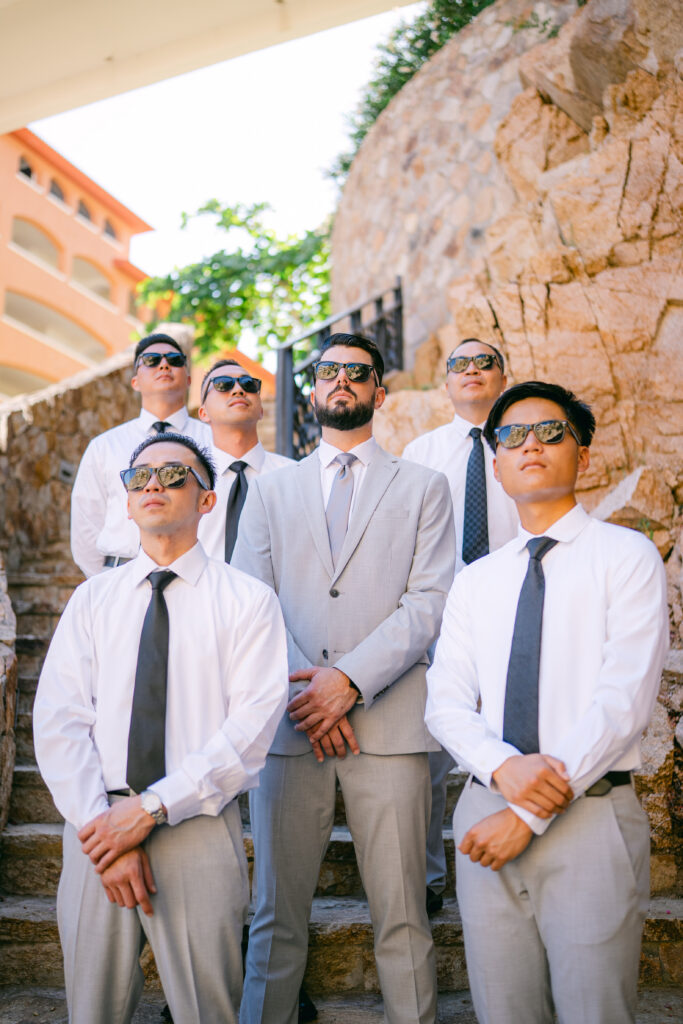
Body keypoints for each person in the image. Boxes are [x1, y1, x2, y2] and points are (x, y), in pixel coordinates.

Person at [425, 381, 669, 1024]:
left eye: (551, 431)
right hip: (485, 813)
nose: (531, 443)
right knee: (503, 1011)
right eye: (512, 436)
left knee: (596, 1012)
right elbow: (446, 700)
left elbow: (622, 705)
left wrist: (526, 816)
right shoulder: (476, 581)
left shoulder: (628, 557)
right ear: (497, 464)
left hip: (589, 815)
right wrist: (503, 770)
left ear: (583, 455)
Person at [234, 333, 455, 1024]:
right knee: (273, 921)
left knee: (402, 917)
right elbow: (250, 602)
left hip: (388, 731)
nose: (341, 382)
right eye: (327, 371)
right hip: (290, 728)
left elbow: (428, 601)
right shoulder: (270, 491)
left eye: (356, 374)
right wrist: (312, 695)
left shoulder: (424, 486)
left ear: (377, 393)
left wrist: (347, 683)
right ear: (311, 388)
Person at [34, 433, 289, 1024]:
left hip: (195, 828)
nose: (153, 485)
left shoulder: (249, 602)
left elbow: (250, 731)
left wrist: (148, 809)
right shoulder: (91, 601)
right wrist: (105, 825)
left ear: (206, 501)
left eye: (175, 475)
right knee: (90, 1013)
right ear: (125, 502)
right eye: (139, 477)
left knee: (209, 1011)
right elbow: (59, 719)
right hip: (94, 831)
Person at [403, 337, 518, 915]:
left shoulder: (522, 444)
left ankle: (510, 853)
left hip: (514, 611)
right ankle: (427, 877)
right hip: (440, 619)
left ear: (504, 376)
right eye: (459, 364)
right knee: (427, 753)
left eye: (485, 362)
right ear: (446, 383)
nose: (472, 371)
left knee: (508, 734)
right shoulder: (422, 452)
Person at [70, 332, 210, 577]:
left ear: (188, 379)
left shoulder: (213, 442)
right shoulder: (104, 446)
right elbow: (86, 523)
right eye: (152, 360)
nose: (164, 364)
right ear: (135, 381)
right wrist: (108, 580)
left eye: (175, 359)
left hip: (196, 575)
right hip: (119, 572)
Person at [197, 358, 293, 562]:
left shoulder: (294, 476)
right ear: (203, 413)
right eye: (223, 384)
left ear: (261, 410)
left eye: (248, 384)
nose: (238, 389)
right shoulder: (188, 480)